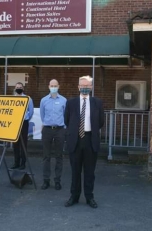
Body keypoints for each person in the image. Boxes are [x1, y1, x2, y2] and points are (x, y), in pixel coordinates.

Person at [64, 75, 104, 209]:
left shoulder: (97, 103)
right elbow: (67, 120)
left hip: (90, 140)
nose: (85, 88)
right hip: (75, 140)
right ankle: (74, 196)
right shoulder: (71, 102)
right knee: (75, 171)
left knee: (89, 172)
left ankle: (89, 197)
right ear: (78, 87)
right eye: (82, 86)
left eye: (87, 86)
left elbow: (100, 122)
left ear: (91, 87)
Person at [40, 79, 67, 190]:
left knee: (59, 156)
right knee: (46, 156)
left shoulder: (64, 100)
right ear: (48, 86)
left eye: (55, 85)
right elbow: (42, 115)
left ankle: (57, 180)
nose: (53, 87)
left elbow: (66, 115)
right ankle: (46, 180)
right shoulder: (44, 100)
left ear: (58, 86)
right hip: (47, 130)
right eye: (52, 85)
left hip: (60, 130)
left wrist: (64, 127)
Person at [10, 82, 34, 170]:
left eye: (20, 87)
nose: (19, 88)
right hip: (14, 123)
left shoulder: (28, 99)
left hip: (24, 123)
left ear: (23, 89)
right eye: (17, 87)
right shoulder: (12, 99)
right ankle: (16, 162)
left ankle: (23, 163)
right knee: (15, 143)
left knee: (23, 143)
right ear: (15, 88)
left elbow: (30, 112)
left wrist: (25, 118)